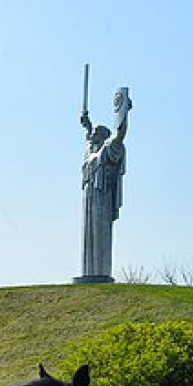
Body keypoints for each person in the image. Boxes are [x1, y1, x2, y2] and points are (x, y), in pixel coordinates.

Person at [77, 86, 131, 282]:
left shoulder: (108, 150)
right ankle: (88, 274)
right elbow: (88, 139)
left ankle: (99, 274)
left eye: (96, 133)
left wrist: (123, 116)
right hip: (89, 198)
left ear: (103, 137)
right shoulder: (90, 149)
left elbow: (120, 136)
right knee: (87, 237)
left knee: (99, 235)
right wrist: (88, 124)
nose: (92, 135)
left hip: (101, 197)